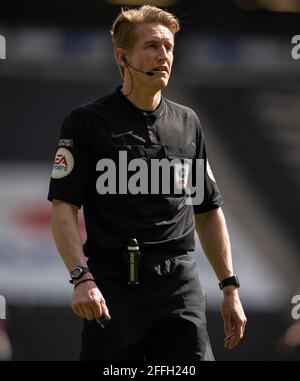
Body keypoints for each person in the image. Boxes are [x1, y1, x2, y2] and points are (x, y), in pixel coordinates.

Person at [48, 5, 247, 361]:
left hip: (178, 283)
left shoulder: (188, 122)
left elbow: (208, 210)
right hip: (111, 285)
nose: (164, 56)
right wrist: (81, 278)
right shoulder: (86, 122)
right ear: (122, 57)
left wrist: (229, 287)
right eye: (153, 46)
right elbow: (63, 209)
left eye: (169, 47)